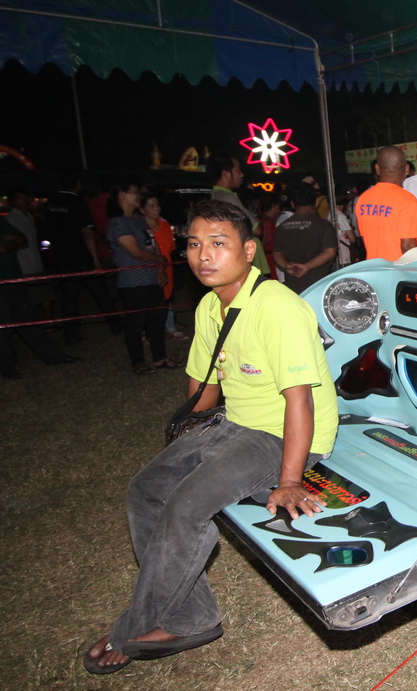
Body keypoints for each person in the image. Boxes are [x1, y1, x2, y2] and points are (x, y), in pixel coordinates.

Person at [82, 200, 338, 674]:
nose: (204, 255)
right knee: (146, 489)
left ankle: (138, 624)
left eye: (219, 243)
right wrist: (189, 445)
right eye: (195, 244)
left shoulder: (278, 308)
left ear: (249, 250)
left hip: (282, 434)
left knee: (186, 507)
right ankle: (192, 615)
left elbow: (299, 401)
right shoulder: (208, 305)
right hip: (234, 422)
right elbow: (203, 387)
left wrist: (289, 481)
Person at [106, 182, 178, 375]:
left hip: (152, 278)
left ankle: (160, 357)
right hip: (133, 281)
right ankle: (138, 362)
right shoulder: (118, 223)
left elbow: (153, 245)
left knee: (156, 321)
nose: (138, 196)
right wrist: (159, 260)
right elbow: (136, 251)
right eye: (133, 192)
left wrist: (160, 269)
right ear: (121, 195)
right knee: (135, 324)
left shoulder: (139, 221)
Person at [42, 171, 122, 343]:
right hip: (81, 256)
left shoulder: (49, 203)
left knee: (69, 297)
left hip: (62, 257)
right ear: (77, 184)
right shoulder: (77, 202)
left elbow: (46, 231)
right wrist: (95, 258)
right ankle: (116, 325)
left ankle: (70, 334)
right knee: (100, 293)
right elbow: (86, 232)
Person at [0, 217, 81, 378]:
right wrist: (10, 241)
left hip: (15, 280)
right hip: (3, 284)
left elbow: (23, 240)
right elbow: (3, 248)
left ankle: (54, 357)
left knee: (30, 322)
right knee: (5, 328)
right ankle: (8, 367)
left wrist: (9, 241)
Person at [207, 152, 270, 276]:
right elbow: (257, 229)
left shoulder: (217, 196)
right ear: (226, 174)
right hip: (249, 265)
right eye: (238, 170)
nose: (241, 174)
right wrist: (259, 222)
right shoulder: (227, 198)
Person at [354, 146, 417, 262]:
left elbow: (365, 238)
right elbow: (408, 247)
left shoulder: (363, 199)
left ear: (377, 168)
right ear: (406, 168)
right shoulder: (407, 200)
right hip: (399, 270)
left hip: (374, 268)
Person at [273, 183, 338, 294]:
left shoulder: (282, 226)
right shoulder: (323, 225)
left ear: (292, 203)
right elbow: (330, 252)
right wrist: (307, 266)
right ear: (316, 202)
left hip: (293, 285)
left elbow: (277, 253)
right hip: (318, 285)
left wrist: (287, 265)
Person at [141, 193, 184, 340]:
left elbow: (170, 246)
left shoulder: (164, 225)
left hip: (167, 266)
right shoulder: (140, 227)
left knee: (168, 298)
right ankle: (148, 332)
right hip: (150, 268)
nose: (156, 209)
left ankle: (170, 329)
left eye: (157, 205)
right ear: (142, 209)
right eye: (151, 206)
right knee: (151, 301)